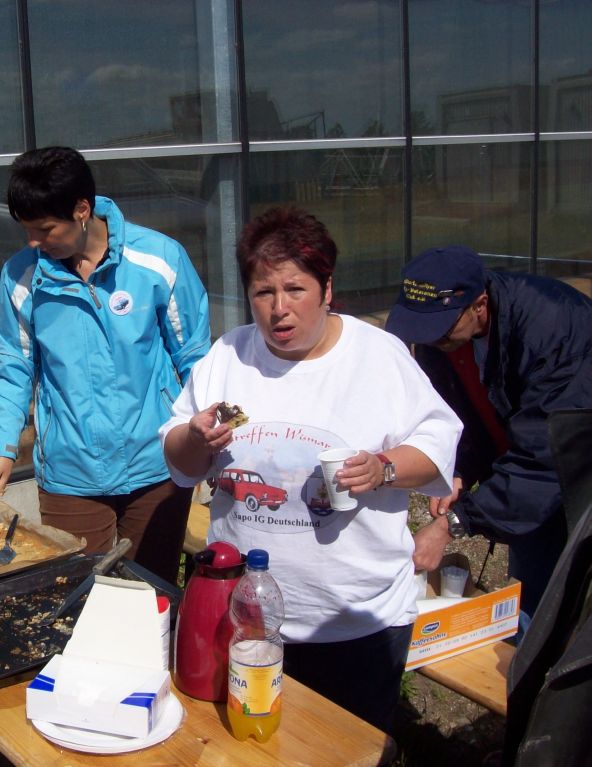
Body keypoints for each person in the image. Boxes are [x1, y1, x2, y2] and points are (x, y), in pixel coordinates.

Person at [159, 206, 461, 733]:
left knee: (347, 749)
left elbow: (438, 443)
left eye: (295, 289)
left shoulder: (378, 357)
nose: (279, 309)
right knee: (251, 743)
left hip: (353, 619)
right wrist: (194, 438)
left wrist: (384, 468)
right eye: (263, 292)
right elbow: (180, 462)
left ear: (327, 289)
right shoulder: (228, 356)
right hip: (245, 613)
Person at [0, 146, 211, 584]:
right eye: (26, 229)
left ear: (82, 210)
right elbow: (14, 366)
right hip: (71, 473)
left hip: (155, 464)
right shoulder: (22, 277)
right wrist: (3, 444)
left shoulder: (158, 260)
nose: (33, 242)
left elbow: (195, 359)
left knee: (152, 594)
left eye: (44, 229)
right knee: (82, 596)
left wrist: (203, 446)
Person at [385, 245, 592, 620]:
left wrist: (452, 524)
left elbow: (546, 457)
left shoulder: (554, 330)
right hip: (531, 478)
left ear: (479, 305)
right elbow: (462, 415)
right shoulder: (446, 337)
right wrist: (461, 469)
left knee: (567, 599)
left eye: (440, 332)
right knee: (530, 597)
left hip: (571, 473)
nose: (431, 342)